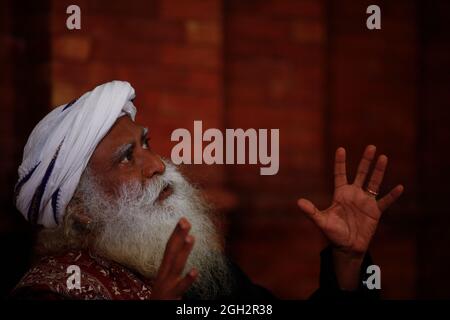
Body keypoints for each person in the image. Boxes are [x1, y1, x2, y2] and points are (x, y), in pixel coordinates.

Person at [10, 81, 403, 300]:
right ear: (81, 208)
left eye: (146, 144)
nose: (158, 164)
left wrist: (348, 260)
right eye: (127, 158)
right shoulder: (52, 291)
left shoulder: (195, 270)